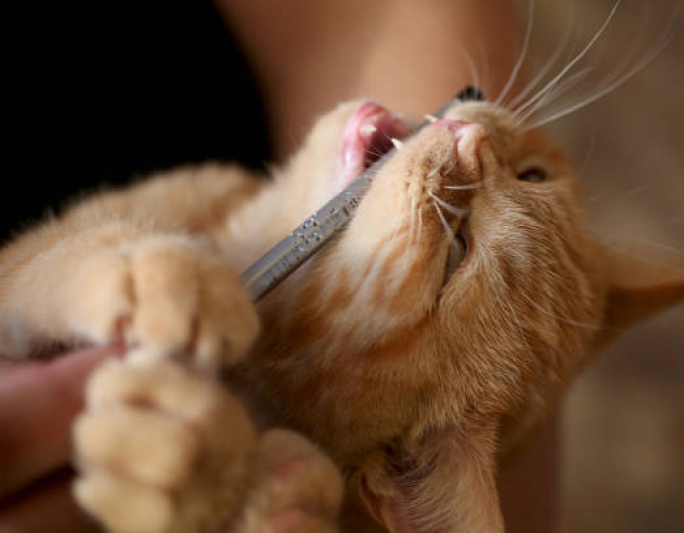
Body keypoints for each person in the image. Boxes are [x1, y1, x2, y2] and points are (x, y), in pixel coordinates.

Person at [0, 1, 558, 530]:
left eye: (456, 253)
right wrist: (80, 284)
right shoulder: (215, 196)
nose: (475, 139)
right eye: (530, 174)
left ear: (404, 469)